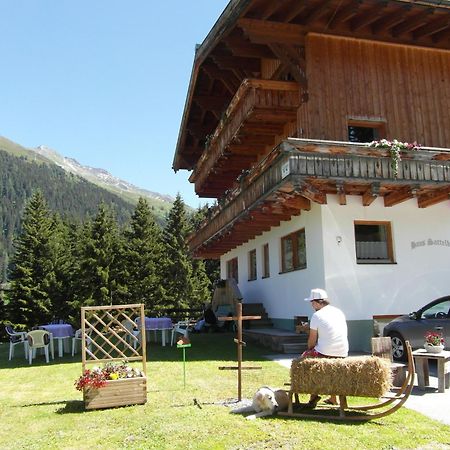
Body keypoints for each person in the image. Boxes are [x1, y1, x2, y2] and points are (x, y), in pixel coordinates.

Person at [301, 288, 348, 408]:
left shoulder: (317, 316)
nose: (312, 305)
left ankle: (313, 395)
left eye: (312, 303)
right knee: (332, 371)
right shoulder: (339, 312)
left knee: (304, 359)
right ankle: (333, 398)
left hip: (325, 352)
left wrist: (309, 350)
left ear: (317, 302)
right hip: (343, 352)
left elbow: (312, 341)